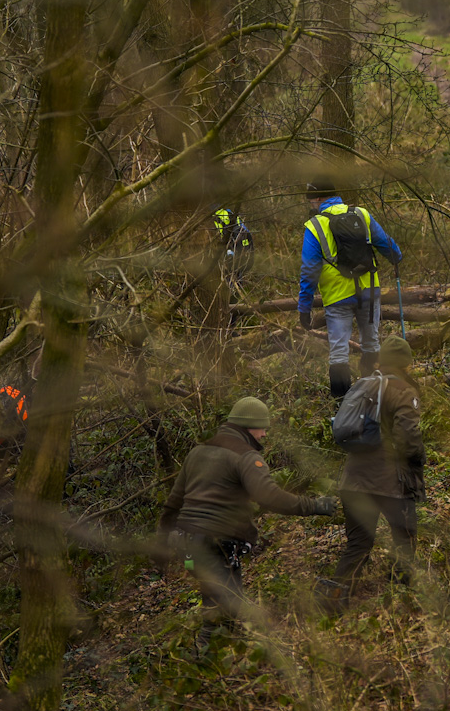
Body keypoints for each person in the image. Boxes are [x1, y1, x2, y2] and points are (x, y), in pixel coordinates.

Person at [160, 396, 335, 650]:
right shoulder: (245, 457)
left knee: (222, 601)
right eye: (262, 428)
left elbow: (173, 503)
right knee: (222, 606)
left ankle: (224, 663)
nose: (264, 434)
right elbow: (270, 496)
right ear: (248, 427)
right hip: (216, 545)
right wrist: (314, 506)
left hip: (188, 548)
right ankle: (204, 661)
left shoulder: (198, 452)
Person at [321, 335, 425, 609]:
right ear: (407, 364)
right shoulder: (404, 390)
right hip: (391, 483)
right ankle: (403, 599)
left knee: (358, 543)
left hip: (353, 481)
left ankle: (332, 601)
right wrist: (419, 462)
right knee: (405, 536)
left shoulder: (365, 385)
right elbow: (409, 440)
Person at [297, 180, 404, 398]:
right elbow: (387, 245)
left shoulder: (315, 225)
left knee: (338, 352)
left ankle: (342, 406)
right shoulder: (362, 214)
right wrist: (396, 256)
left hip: (337, 296)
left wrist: (304, 307)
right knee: (371, 343)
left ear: (317, 199)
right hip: (368, 291)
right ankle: (373, 398)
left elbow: (309, 270)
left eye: (310, 199)